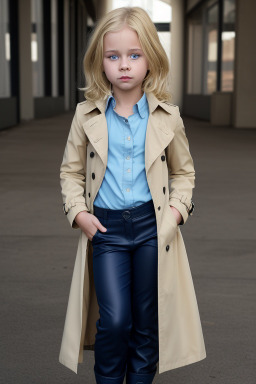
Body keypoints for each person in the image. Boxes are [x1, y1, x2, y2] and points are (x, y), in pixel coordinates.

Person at [59, 6, 206, 384]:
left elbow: (184, 173)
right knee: (115, 320)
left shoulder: (167, 117)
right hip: (105, 230)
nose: (124, 65)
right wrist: (79, 214)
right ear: (101, 63)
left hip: (151, 229)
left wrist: (173, 215)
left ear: (150, 60)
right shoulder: (86, 115)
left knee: (146, 319)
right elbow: (71, 172)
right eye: (114, 56)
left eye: (134, 55)